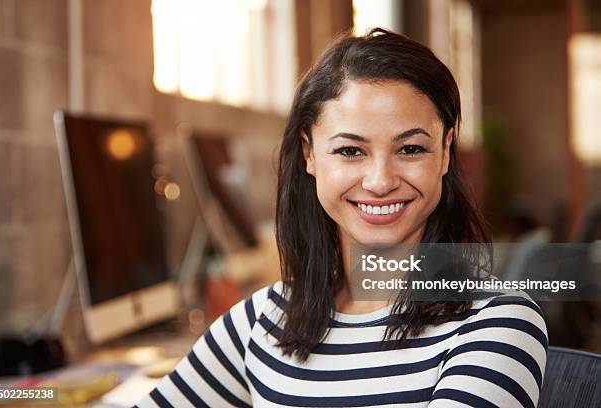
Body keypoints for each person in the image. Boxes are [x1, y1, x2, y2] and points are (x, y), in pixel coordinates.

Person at [136, 28, 548, 408]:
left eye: (410, 150)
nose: (381, 181)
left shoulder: (499, 321)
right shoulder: (263, 319)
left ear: (445, 151)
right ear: (310, 154)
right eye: (350, 151)